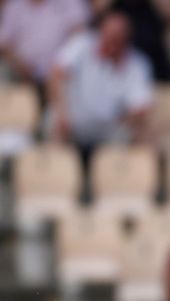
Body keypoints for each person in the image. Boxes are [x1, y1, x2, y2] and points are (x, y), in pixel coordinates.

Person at [47, 12, 154, 180]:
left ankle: (120, 184)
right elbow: (56, 74)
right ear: (100, 33)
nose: (112, 43)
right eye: (109, 37)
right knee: (53, 120)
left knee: (144, 131)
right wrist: (62, 111)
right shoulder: (82, 43)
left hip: (110, 126)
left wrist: (123, 119)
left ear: (126, 40)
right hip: (74, 118)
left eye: (117, 39)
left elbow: (140, 108)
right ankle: (55, 181)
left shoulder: (138, 63)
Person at [0, 0, 90, 84]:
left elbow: (80, 31)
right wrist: (18, 64)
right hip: (23, 72)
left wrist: (63, 61)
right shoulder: (13, 2)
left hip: (63, 70)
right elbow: (3, 43)